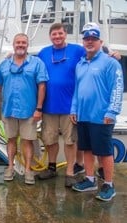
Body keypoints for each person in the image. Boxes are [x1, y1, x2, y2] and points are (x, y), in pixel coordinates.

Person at [70, 25, 123, 201]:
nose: (90, 42)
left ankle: (109, 184)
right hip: (83, 115)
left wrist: (112, 111)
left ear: (100, 42)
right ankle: (90, 179)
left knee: (104, 152)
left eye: (93, 39)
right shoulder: (80, 64)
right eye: (87, 39)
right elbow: (77, 90)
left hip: (102, 116)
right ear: (83, 42)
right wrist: (74, 109)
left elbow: (117, 88)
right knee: (86, 149)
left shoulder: (110, 62)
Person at [0, 33, 49, 185]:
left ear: (27, 45)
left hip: (29, 111)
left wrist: (39, 108)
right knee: (10, 140)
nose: (20, 45)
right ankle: (10, 167)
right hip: (9, 109)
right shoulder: (4, 64)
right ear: (13, 45)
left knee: (27, 141)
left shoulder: (37, 63)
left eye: (23, 42)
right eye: (18, 42)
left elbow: (42, 87)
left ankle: (28, 170)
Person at [36, 23, 86, 187]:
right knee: (50, 140)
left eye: (60, 33)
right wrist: (9, 56)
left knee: (70, 141)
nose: (57, 37)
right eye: (54, 34)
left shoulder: (77, 50)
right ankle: (51, 167)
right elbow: (31, 66)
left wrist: (111, 54)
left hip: (69, 107)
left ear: (66, 34)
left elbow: (94, 53)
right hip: (48, 106)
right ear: (50, 36)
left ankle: (70, 172)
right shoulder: (43, 52)